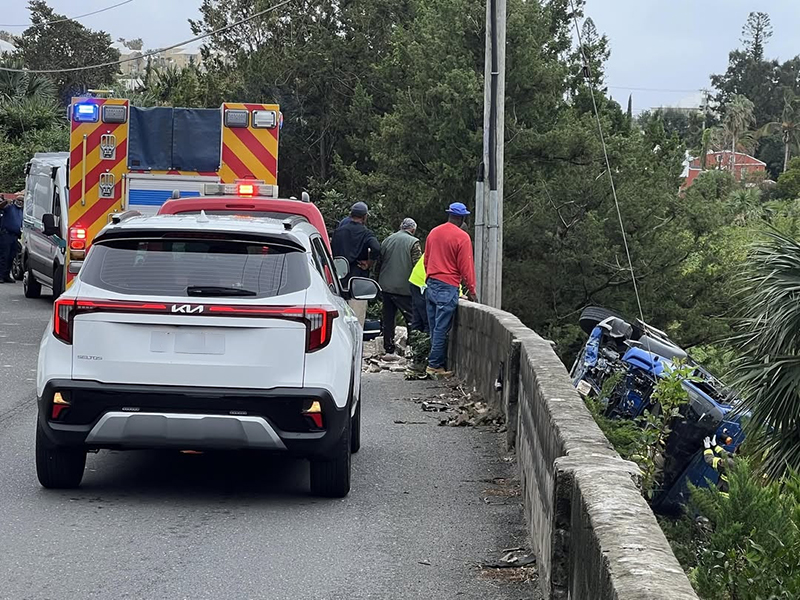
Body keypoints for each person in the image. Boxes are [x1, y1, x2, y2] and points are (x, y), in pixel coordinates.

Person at [424, 202, 477, 376]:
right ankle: (434, 365)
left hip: (431, 283)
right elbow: (466, 267)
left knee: (434, 326)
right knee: (441, 328)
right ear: (462, 218)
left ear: (449, 215)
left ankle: (435, 362)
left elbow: (426, 260)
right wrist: (472, 290)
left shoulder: (434, 232)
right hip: (448, 285)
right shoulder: (462, 237)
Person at [376, 217, 421, 357]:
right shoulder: (413, 242)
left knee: (388, 318)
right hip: (404, 288)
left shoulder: (387, 240)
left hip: (386, 287)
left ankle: (388, 348)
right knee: (411, 318)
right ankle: (412, 348)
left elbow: (379, 263)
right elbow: (418, 265)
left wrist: (377, 281)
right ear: (412, 229)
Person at [331, 201, 380, 325]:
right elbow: (376, 248)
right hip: (358, 282)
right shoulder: (366, 233)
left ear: (351, 214)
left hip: (339, 279)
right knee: (356, 320)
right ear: (365, 217)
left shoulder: (338, 232)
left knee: (340, 320)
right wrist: (369, 262)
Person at [0, 192, 24, 283]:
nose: (20, 202)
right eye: (19, 200)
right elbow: (1, 207)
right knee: (4, 256)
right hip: (6, 234)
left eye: (22, 201)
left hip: (15, 236)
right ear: (15, 200)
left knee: (11, 256)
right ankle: (0, 275)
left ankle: (6, 275)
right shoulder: (10, 207)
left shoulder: (21, 211)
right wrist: (6, 202)